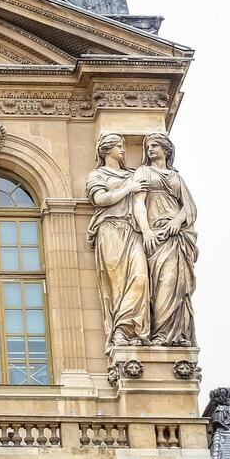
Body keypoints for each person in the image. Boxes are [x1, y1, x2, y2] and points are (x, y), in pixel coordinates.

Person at [85, 133, 150, 350]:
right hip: (110, 228)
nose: (123, 150)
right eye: (118, 146)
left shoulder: (133, 173)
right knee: (118, 283)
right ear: (106, 149)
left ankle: (131, 327)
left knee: (140, 278)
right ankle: (120, 332)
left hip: (133, 230)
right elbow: (99, 199)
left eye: (123, 145)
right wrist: (128, 189)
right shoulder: (97, 175)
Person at [135, 132, 198, 346]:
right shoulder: (143, 171)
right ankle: (160, 333)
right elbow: (138, 204)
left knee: (176, 284)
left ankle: (174, 334)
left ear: (166, 149)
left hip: (176, 235)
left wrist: (177, 222)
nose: (150, 149)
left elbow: (189, 207)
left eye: (155, 146)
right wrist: (146, 231)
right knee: (161, 283)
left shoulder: (175, 177)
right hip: (155, 235)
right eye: (148, 147)